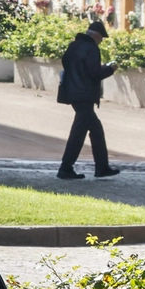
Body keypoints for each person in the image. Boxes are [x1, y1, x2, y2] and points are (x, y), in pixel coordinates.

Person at [57, 20, 119, 180]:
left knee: (96, 130)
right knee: (78, 132)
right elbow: (94, 73)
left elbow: (68, 65)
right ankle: (65, 168)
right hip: (84, 95)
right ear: (97, 35)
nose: (101, 41)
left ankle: (102, 167)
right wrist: (110, 69)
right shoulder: (91, 48)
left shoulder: (74, 46)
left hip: (72, 93)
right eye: (101, 38)